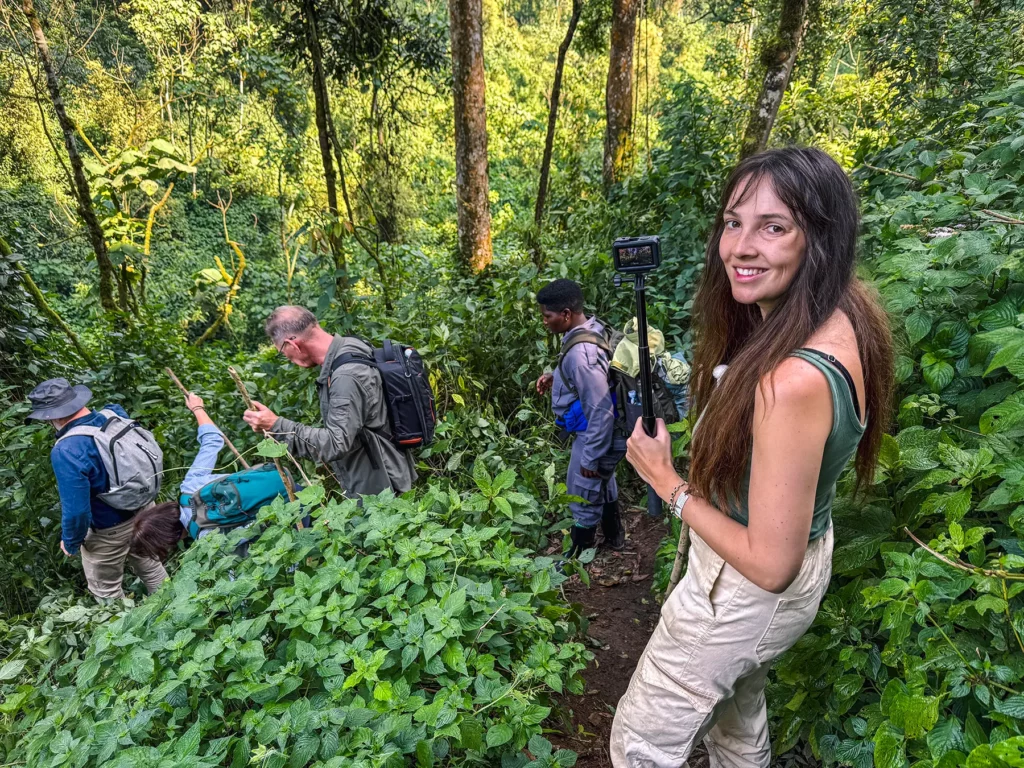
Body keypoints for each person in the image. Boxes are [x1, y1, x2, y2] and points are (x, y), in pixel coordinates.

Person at [611, 147, 894, 768]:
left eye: (774, 227)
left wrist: (669, 484)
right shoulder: (844, 314)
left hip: (744, 588)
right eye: (733, 222)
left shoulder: (790, 382)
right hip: (788, 570)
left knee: (637, 743)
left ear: (819, 239)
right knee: (737, 719)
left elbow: (769, 565)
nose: (741, 247)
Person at [242, 306, 417, 498]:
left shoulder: (346, 376)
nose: (288, 358)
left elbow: (335, 443)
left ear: (292, 345)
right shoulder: (352, 345)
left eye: (282, 352)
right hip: (387, 472)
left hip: (382, 489)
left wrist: (276, 425)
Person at [26, 378, 167, 600]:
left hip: (109, 530)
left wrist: (71, 542)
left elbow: (77, 511)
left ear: (53, 416)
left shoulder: (67, 449)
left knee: (107, 592)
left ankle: (127, 632)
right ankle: (174, 613)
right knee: (151, 566)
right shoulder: (114, 414)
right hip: (145, 509)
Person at [535, 279, 626, 557]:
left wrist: (590, 456)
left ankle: (578, 552)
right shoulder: (590, 328)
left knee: (582, 489)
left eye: (547, 316)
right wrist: (556, 376)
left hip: (596, 433)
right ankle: (615, 536)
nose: (544, 322)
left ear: (565, 314)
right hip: (603, 428)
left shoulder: (581, 355)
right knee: (601, 479)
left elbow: (600, 410)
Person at [130, 393, 228, 562]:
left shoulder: (206, 536)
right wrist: (197, 408)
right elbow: (213, 440)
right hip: (277, 476)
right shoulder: (190, 485)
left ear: (170, 539)